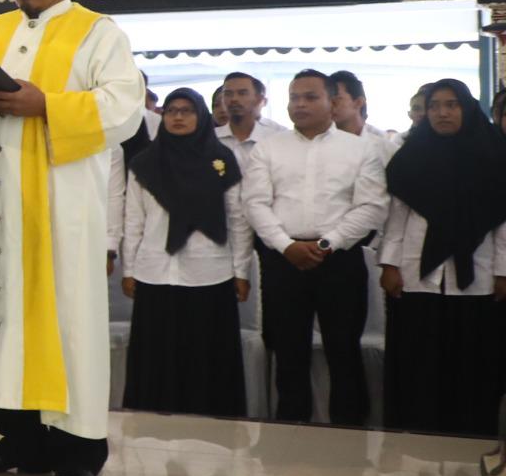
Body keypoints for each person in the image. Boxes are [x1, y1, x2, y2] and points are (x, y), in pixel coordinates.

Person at [0, 0, 146, 476]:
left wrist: (46, 105)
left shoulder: (97, 33)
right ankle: (20, 440)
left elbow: (123, 108)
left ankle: (81, 447)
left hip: (61, 211)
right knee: (5, 321)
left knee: (67, 323)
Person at [242, 69, 387, 425]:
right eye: (294, 98)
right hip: (283, 261)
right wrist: (286, 245)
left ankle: (349, 432)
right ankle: (291, 430)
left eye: (310, 97)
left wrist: (327, 243)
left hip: (339, 260)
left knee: (344, 350)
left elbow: (371, 207)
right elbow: (255, 203)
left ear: (332, 103)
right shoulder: (269, 147)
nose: (300, 105)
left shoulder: (361, 148)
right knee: (288, 352)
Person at [115, 88, 254, 419]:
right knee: (157, 356)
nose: (178, 116)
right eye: (171, 110)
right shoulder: (144, 163)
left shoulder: (222, 160)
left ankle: (211, 428)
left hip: (210, 273)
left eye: (187, 110)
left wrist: (241, 272)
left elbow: (237, 220)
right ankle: (151, 427)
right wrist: (129, 270)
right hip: (154, 273)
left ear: (201, 116)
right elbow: (133, 221)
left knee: (206, 355)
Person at [379, 79, 506, 434]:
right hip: (418, 273)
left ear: (467, 108)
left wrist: (503, 270)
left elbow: (502, 222)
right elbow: (397, 216)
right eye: (434, 106)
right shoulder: (411, 156)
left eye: (452, 105)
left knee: (471, 359)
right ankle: (418, 431)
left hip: (477, 275)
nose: (442, 113)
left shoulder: (495, 154)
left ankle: (468, 432)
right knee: (420, 358)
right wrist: (389, 264)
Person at [327, 71, 401, 166]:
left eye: (336, 99)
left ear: (358, 102)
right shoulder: (317, 146)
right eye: (326, 100)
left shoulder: (387, 151)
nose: (329, 105)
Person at [214, 73, 284, 157]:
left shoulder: (276, 137)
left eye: (242, 93)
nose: (234, 99)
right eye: (228, 94)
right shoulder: (210, 138)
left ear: (258, 99)